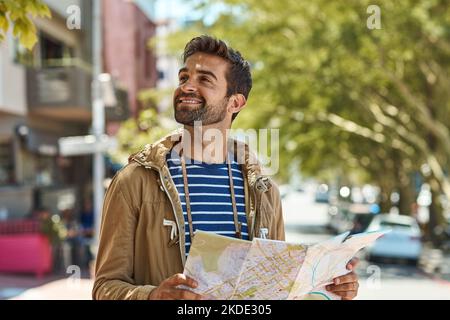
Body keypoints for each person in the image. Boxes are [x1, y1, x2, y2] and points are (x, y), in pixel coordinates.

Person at [93, 35, 359, 300]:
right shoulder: (134, 182)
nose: (186, 86)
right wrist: (153, 297)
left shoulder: (265, 194)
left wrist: (331, 290)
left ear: (235, 102)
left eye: (204, 80)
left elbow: (277, 292)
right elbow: (105, 287)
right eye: (184, 78)